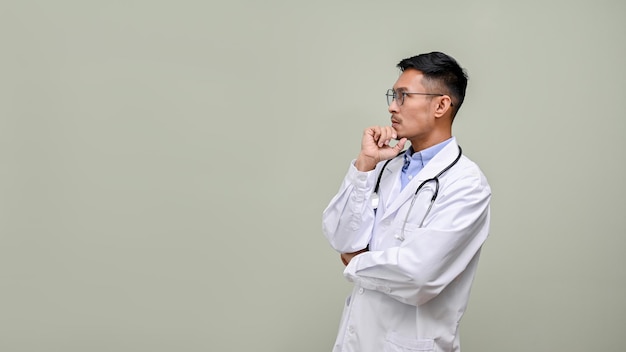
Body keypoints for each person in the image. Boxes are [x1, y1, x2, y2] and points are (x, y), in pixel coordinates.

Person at [322, 51, 491, 352]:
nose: (391, 107)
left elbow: (419, 276)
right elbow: (340, 236)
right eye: (393, 95)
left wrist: (357, 261)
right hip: (355, 341)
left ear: (441, 104)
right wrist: (364, 164)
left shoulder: (467, 184)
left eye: (403, 96)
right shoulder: (385, 166)